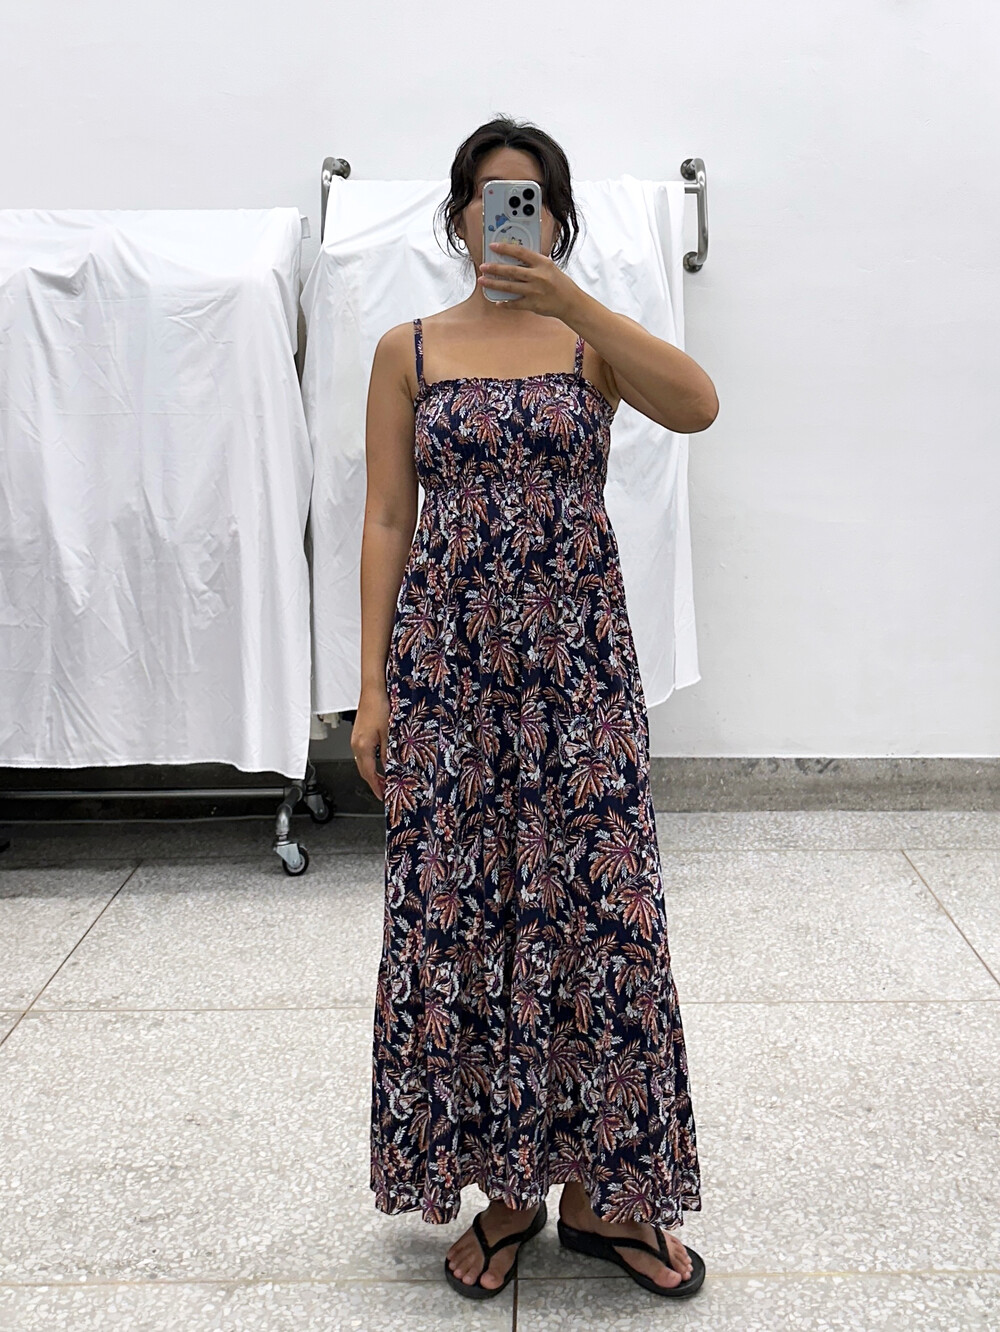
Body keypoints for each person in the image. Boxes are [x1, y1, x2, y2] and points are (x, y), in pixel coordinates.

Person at [351, 115, 718, 1301]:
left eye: (532, 199)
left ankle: (605, 1195)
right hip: (448, 681)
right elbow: (387, 519)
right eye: (489, 196)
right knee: (465, 921)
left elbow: (697, 405)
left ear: (557, 219)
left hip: (580, 677)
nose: (509, 216)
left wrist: (577, 303)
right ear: (457, 215)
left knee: (603, 920)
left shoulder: (587, 342)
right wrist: (371, 690)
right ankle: (505, 1193)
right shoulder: (407, 350)